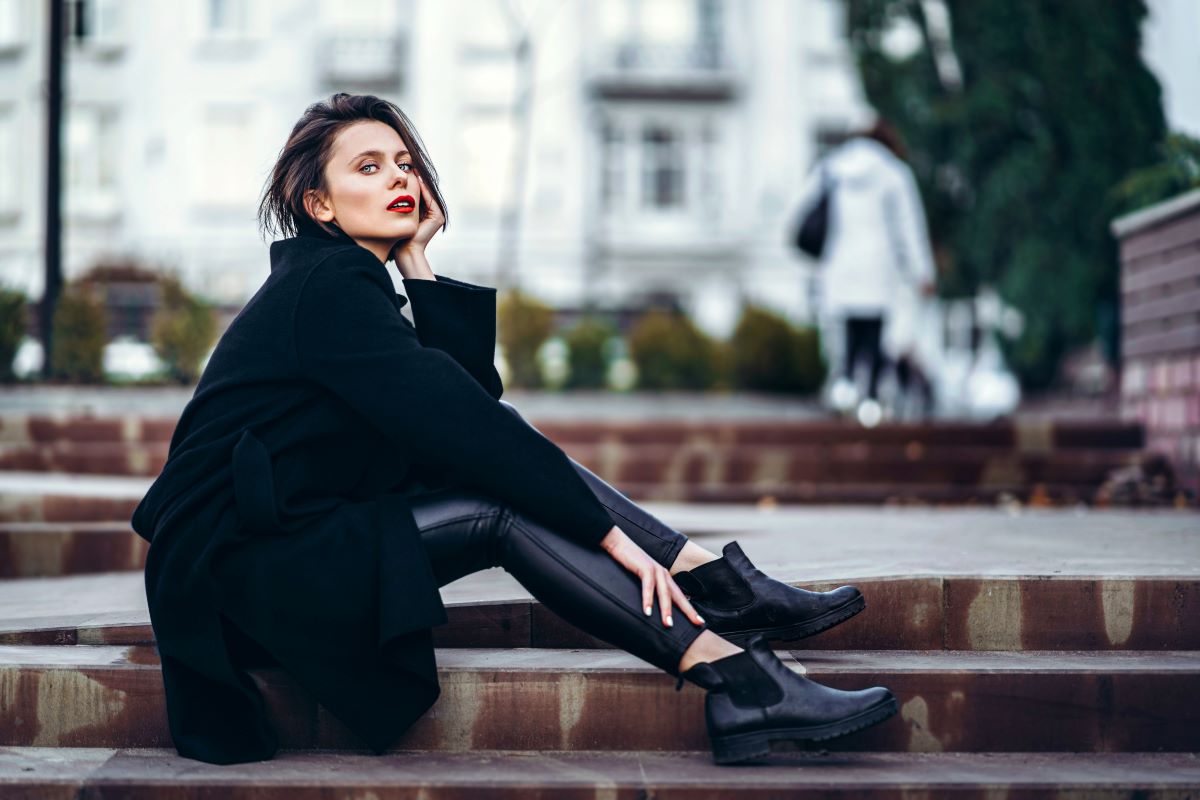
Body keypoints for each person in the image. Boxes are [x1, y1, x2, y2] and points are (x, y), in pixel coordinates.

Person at [130, 93, 897, 767]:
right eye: (368, 167)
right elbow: (462, 420)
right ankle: (737, 670)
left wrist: (421, 264)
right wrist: (607, 535)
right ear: (318, 204)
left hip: (293, 538)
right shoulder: (323, 289)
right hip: (238, 571)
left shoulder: (349, 283)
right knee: (498, 508)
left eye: (404, 162)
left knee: (500, 461)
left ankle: (722, 605)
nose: (400, 177)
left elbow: (462, 406)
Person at [795, 119, 937, 426]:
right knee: (873, 336)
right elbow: (909, 227)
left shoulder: (831, 167)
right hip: (877, 264)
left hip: (839, 263)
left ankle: (844, 388)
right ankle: (870, 400)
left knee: (845, 336)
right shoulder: (893, 173)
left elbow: (803, 208)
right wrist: (922, 272)